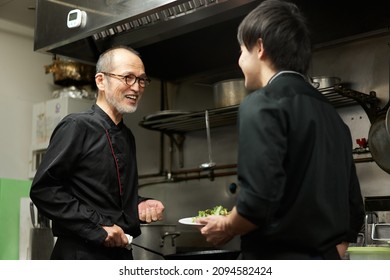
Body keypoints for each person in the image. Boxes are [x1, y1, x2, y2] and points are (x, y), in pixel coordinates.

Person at [197, 0, 365, 260]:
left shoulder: (262, 104)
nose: (240, 60)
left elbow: (256, 203)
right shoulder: (333, 117)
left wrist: (226, 225)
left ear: (260, 47)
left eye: (242, 50)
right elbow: (354, 207)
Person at [30, 46, 165, 260]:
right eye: (128, 77)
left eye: (141, 80)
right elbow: (45, 190)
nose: (137, 87)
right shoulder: (77, 125)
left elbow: (106, 198)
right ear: (101, 81)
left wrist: (139, 204)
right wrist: (97, 228)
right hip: (80, 255)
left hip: (119, 254)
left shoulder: (127, 136)